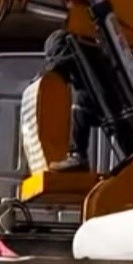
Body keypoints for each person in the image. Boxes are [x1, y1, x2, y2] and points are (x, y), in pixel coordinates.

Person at [42, 28, 98, 172]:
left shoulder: (79, 57)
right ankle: (77, 155)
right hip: (101, 100)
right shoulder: (85, 53)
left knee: (81, 103)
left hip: (99, 100)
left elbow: (59, 69)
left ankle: (78, 155)